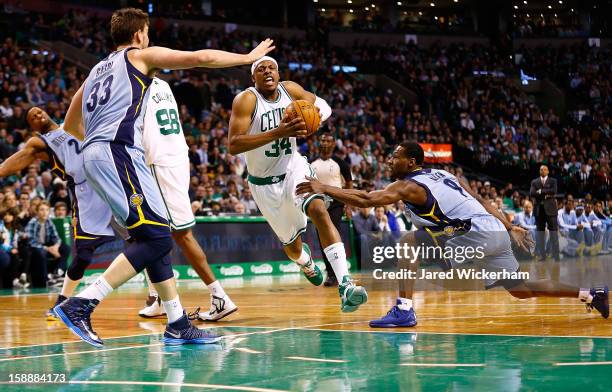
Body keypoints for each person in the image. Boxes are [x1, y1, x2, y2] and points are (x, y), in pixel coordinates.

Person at [56, 7, 273, 347]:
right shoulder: (141, 56)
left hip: (97, 156)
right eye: (147, 33)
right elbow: (200, 57)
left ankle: (177, 322)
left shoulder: (96, 71)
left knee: (153, 235)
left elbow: (69, 125)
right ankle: (82, 304)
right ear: (139, 34)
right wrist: (247, 57)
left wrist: (95, 145)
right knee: (157, 239)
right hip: (119, 152)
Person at [297, 142, 609, 327]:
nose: (390, 160)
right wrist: (509, 226)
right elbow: (481, 200)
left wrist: (325, 187)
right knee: (521, 289)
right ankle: (590, 293)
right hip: (491, 231)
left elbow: (367, 199)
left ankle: (405, 311)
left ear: (413, 162)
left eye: (396, 156)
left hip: (474, 235)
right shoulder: (445, 174)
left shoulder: (409, 185)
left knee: (408, 244)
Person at [228, 56, 367, 312]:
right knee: (292, 248)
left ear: (279, 74)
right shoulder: (246, 100)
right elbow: (233, 145)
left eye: (272, 68)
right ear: (253, 77)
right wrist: (279, 132)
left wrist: (314, 121)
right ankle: (306, 262)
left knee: (318, 210)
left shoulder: (290, 89)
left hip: (294, 168)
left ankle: (345, 283)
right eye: (261, 69)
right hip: (264, 184)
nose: (268, 71)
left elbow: (323, 105)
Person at [139, 77, 236, 321]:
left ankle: (219, 296)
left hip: (159, 161)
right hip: (177, 156)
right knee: (152, 232)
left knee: (181, 234)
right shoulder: (162, 83)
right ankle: (159, 297)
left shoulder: (133, 81)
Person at [0, 107, 115, 307]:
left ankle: (156, 297)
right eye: (32, 117)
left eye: (38, 111)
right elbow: (19, 158)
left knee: (146, 236)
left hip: (111, 180)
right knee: (84, 254)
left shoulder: (71, 123)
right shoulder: (40, 142)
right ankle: (62, 301)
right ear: (32, 126)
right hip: (85, 192)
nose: (37, 115)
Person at [310, 132, 353, 286]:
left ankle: (340, 273)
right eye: (323, 140)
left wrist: (348, 204)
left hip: (336, 202)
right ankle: (331, 274)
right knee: (323, 237)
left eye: (329, 140)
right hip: (317, 202)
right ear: (318, 143)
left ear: (334, 144)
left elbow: (349, 183)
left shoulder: (341, 163)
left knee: (333, 235)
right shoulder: (311, 162)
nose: (325, 143)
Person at [24, 201, 70, 288]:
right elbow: (31, 241)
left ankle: (57, 272)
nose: (44, 212)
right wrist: (48, 249)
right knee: (41, 252)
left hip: (46, 246)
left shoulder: (49, 221)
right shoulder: (32, 222)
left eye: (46, 210)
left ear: (49, 211)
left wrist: (56, 247)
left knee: (66, 248)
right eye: (41, 210)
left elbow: (56, 238)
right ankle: (46, 280)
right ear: (37, 212)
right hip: (34, 248)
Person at [530, 165, 560, 261]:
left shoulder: (553, 181)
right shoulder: (534, 181)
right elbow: (532, 193)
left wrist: (541, 191)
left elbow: (554, 191)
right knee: (540, 234)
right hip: (539, 210)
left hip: (551, 210)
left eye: (544, 169)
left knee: (553, 233)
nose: (542, 170)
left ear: (548, 171)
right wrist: (546, 194)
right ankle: (542, 256)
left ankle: (556, 256)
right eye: (541, 169)